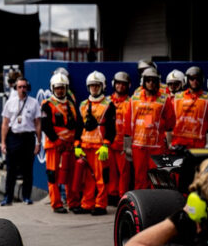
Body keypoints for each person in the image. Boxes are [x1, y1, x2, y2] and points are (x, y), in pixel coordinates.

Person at [74, 71, 116, 216]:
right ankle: (86, 204)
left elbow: (111, 128)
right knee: (87, 179)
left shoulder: (109, 105)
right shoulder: (83, 105)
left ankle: (100, 205)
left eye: (97, 86)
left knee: (101, 178)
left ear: (102, 86)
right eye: (91, 86)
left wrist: (106, 145)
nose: (94, 88)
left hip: (100, 148)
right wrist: (76, 145)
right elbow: (78, 126)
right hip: (85, 147)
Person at [129, 67, 175, 190]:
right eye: (148, 80)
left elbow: (170, 122)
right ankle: (140, 205)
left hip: (156, 146)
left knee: (157, 178)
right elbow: (128, 122)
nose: (151, 83)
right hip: (138, 146)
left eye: (153, 80)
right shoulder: (134, 98)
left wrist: (169, 142)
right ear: (143, 81)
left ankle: (156, 204)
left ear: (157, 82)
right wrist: (127, 145)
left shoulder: (164, 99)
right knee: (139, 178)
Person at [41, 73, 80, 213]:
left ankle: (73, 203)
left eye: (62, 88)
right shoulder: (47, 105)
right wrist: (57, 141)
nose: (60, 91)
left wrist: (76, 142)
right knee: (53, 176)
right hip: (54, 147)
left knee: (70, 176)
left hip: (69, 147)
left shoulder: (71, 104)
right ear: (53, 88)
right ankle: (56, 204)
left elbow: (77, 125)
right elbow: (45, 126)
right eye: (57, 88)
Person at [0, 76, 42, 206]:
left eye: (24, 87)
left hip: (28, 137)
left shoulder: (34, 103)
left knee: (27, 169)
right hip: (14, 136)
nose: (22, 89)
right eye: (20, 87)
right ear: (16, 88)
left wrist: (38, 142)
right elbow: (5, 124)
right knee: (11, 169)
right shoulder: (10, 102)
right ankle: (8, 197)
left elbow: (38, 124)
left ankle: (26, 197)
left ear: (27, 88)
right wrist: (3, 142)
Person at [169, 66, 208, 149]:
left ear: (202, 80)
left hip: (199, 145)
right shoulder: (177, 97)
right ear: (187, 80)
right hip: (178, 143)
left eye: (197, 79)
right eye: (192, 79)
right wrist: (169, 142)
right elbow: (169, 120)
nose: (195, 81)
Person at [108, 71, 132, 201]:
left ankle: (123, 196)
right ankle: (112, 195)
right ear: (114, 84)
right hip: (109, 143)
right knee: (111, 171)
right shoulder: (107, 101)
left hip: (124, 144)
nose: (120, 86)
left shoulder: (131, 102)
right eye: (118, 83)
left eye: (123, 84)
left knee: (124, 173)